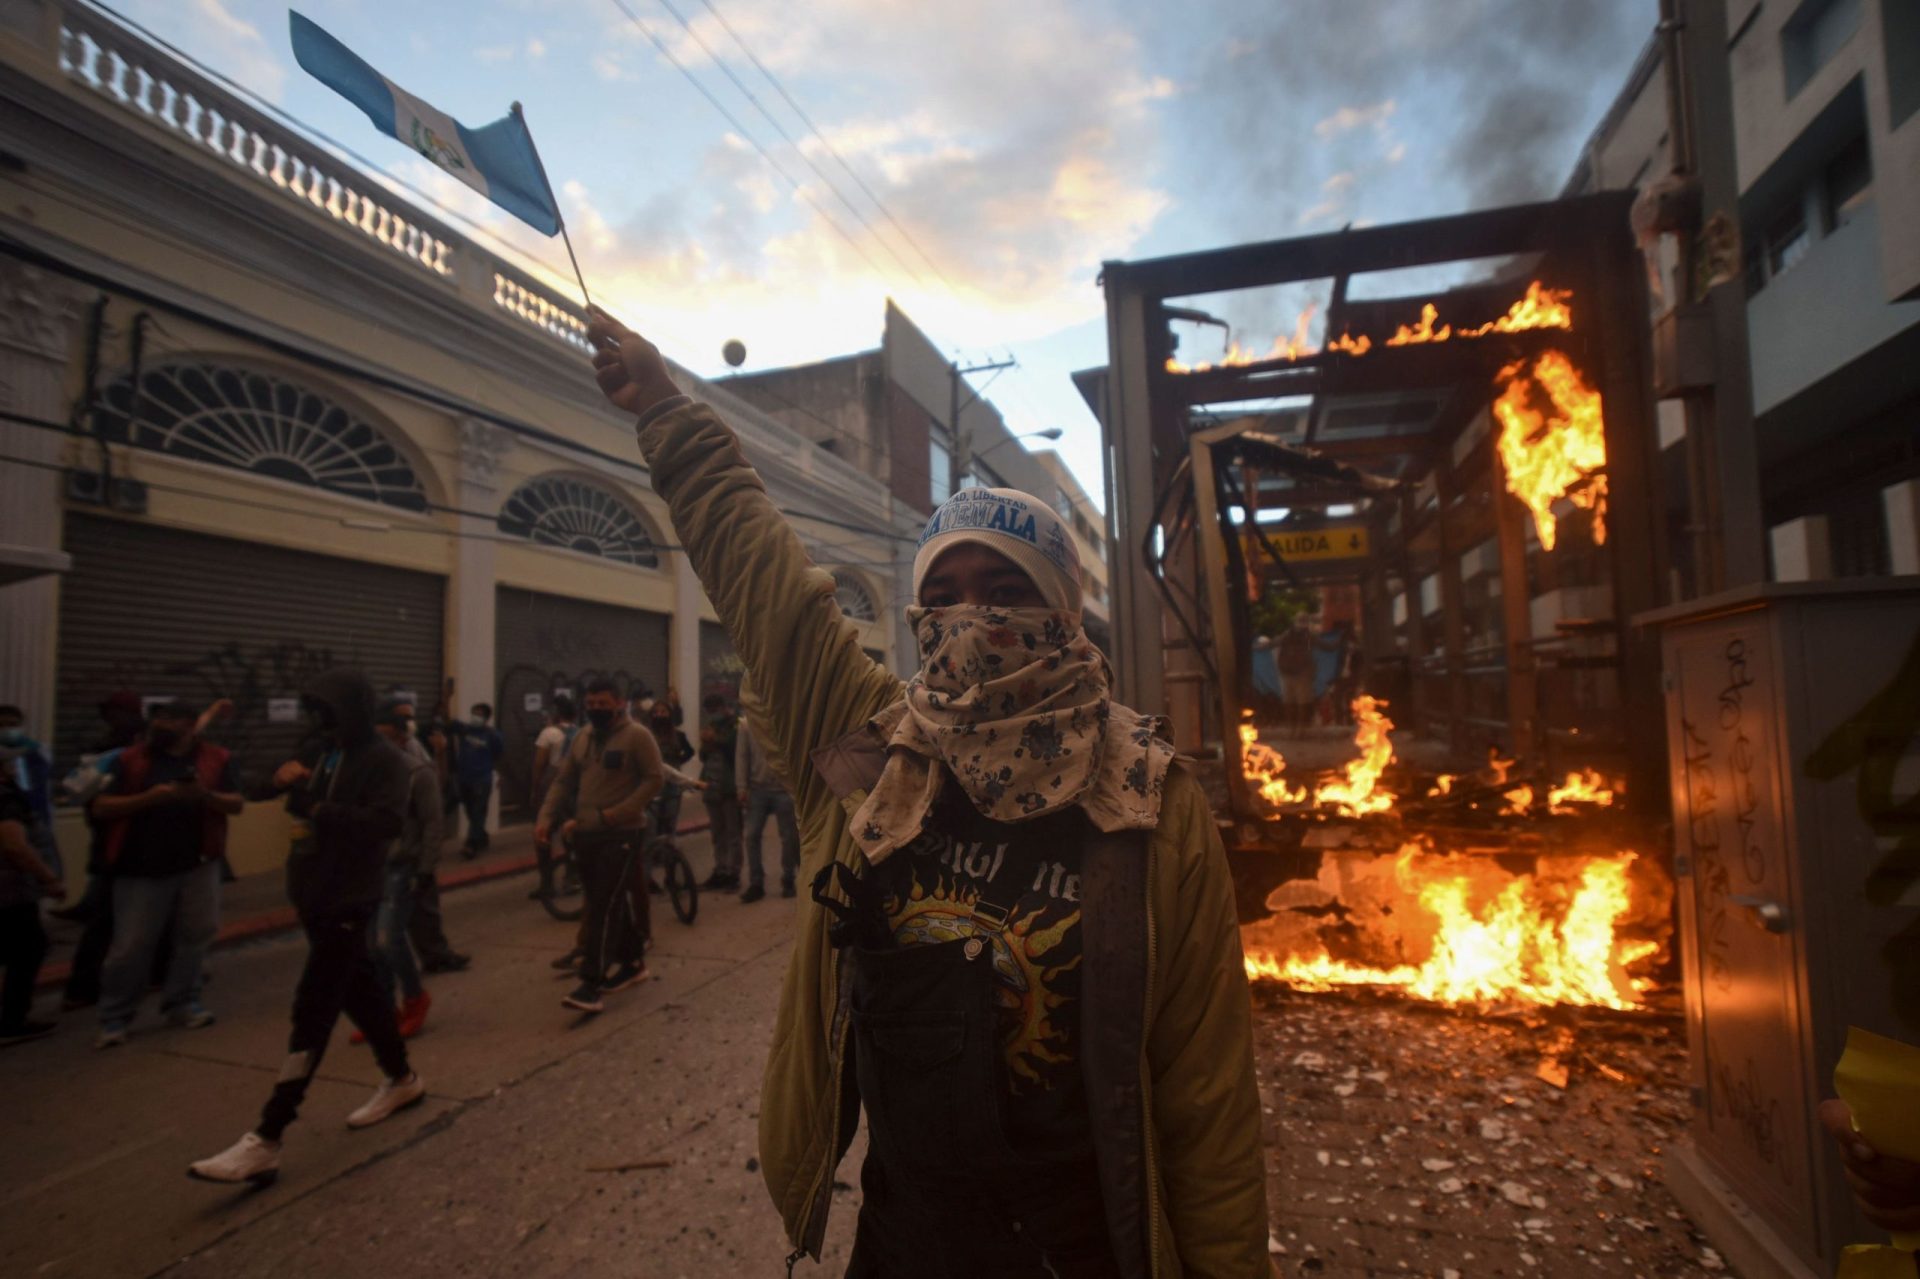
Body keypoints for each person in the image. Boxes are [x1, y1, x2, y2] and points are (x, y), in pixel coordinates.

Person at [589, 311, 1268, 1276]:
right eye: (944, 593)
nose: (971, 616)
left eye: (1006, 587)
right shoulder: (874, 754)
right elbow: (771, 591)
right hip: (905, 1241)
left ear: (1061, 611)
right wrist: (666, 408)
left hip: (1081, 1249)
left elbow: (1207, 1105)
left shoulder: (1147, 799)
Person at [188, 669, 425, 1186]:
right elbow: (255, 789)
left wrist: (318, 806)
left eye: (330, 713)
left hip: (348, 900)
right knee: (362, 995)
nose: (322, 723)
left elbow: (385, 824)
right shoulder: (323, 753)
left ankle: (268, 1136)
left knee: (312, 1012)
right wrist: (281, 781)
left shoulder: (387, 762)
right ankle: (402, 1079)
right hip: (313, 896)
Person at [89, 701, 242, 1048]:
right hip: (141, 866)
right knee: (131, 944)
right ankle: (115, 1016)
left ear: (189, 724)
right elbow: (100, 806)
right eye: (156, 718)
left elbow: (236, 803)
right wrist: (152, 797)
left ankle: (182, 1002)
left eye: (169, 719)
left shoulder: (217, 759)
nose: (160, 724)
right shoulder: (128, 760)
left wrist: (203, 795)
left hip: (199, 863)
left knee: (196, 935)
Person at [535, 677, 664, 1014]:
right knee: (603, 901)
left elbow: (654, 779)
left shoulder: (638, 736)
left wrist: (616, 814)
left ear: (619, 703)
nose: (596, 710)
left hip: (622, 833)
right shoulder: (583, 737)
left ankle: (590, 983)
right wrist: (545, 817)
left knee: (603, 905)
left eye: (602, 705)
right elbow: (564, 780)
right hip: (586, 833)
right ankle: (633, 961)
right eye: (591, 705)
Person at [366, 698, 442, 1039]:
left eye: (385, 736)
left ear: (400, 738)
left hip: (402, 867)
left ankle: (414, 998)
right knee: (370, 944)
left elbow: (432, 824)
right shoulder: (366, 775)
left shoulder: (418, 773)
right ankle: (383, 1013)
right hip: (370, 868)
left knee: (388, 939)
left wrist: (425, 870)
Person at [0, 769, 65, 1046]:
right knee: (28, 948)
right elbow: (14, 844)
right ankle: (12, 1020)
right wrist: (48, 878)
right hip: (9, 893)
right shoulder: (6, 800)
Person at [735, 704, 799, 902]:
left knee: (789, 837)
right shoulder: (747, 725)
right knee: (751, 835)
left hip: (783, 790)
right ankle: (756, 882)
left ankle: (788, 878)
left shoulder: (786, 723)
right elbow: (742, 756)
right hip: (757, 789)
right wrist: (741, 787)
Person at [0, 704, 59, 883]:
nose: (8, 729)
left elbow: (40, 786)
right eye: (3, 725)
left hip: (33, 817)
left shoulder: (35, 751)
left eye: (13, 724)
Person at [697, 695, 743, 891]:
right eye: (710, 709)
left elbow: (734, 751)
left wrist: (714, 739)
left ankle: (733, 873)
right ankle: (720, 869)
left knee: (733, 833)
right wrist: (708, 742)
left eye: (715, 708)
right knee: (717, 833)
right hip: (711, 786)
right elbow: (703, 755)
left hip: (729, 787)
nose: (713, 713)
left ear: (724, 707)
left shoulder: (737, 726)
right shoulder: (711, 726)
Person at [451, 703, 502, 858]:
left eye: (479, 714)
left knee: (478, 810)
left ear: (486, 718)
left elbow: (499, 756)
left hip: (482, 779)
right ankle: (481, 835)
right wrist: (447, 698)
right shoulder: (465, 730)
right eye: (473, 713)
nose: (475, 717)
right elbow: (448, 722)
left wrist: (499, 775)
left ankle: (470, 844)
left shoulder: (493, 735)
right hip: (464, 778)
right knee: (470, 810)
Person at [1275, 613, 1316, 737]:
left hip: (1301, 674)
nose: (1302, 624)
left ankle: (1299, 729)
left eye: (1304, 621)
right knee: (1290, 703)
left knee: (1300, 704)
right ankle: (1293, 728)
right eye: (1300, 621)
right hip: (1289, 673)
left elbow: (1326, 647)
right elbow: (1273, 644)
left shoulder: (1308, 636)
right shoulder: (1287, 635)